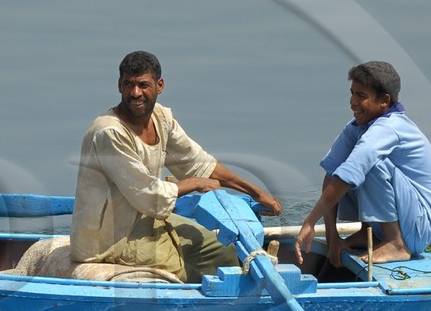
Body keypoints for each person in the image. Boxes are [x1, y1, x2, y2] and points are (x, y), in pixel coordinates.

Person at [70, 51, 282, 282]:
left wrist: (256, 192)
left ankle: (234, 302)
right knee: (184, 274)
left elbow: (199, 164)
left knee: (220, 249)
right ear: (119, 86)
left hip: (146, 219)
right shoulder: (109, 133)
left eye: (143, 84)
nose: (135, 93)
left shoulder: (161, 118)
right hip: (109, 239)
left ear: (159, 86)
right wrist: (194, 183)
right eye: (128, 84)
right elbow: (150, 196)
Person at [294, 61, 431, 272]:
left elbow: (349, 175)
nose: (352, 102)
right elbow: (332, 173)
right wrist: (332, 237)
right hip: (396, 218)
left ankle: (395, 243)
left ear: (384, 101)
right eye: (352, 93)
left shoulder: (390, 128)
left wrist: (309, 222)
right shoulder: (358, 127)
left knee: (367, 164)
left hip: (417, 229)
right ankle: (368, 230)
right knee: (345, 168)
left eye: (361, 96)